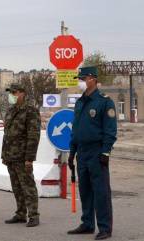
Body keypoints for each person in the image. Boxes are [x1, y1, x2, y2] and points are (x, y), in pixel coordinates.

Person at [67, 66, 117, 240]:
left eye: (82, 79)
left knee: (101, 191)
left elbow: (110, 131)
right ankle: (87, 224)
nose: (80, 83)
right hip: (82, 151)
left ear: (92, 79)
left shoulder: (104, 102)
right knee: (85, 190)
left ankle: (104, 228)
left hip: (97, 152)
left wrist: (106, 152)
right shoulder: (80, 102)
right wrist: (72, 152)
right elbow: (76, 129)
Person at [2, 83, 41, 227]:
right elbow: (7, 135)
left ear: (22, 93)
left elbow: (33, 136)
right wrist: (4, 155)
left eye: (14, 92)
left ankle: (34, 215)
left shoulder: (30, 111)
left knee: (28, 186)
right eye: (10, 93)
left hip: (23, 156)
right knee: (16, 187)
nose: (11, 95)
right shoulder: (11, 110)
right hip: (11, 156)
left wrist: (29, 158)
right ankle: (20, 213)